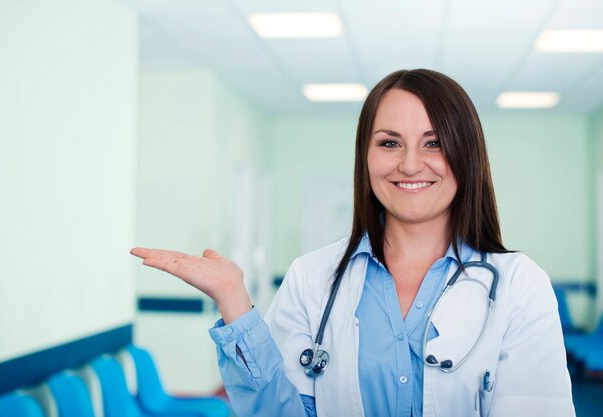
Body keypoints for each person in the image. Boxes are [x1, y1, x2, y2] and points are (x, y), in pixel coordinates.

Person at [131, 69, 575, 417]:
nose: (409, 163)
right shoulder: (311, 280)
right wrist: (233, 300)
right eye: (389, 143)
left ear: (467, 154)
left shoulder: (521, 287)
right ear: (365, 155)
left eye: (434, 142)